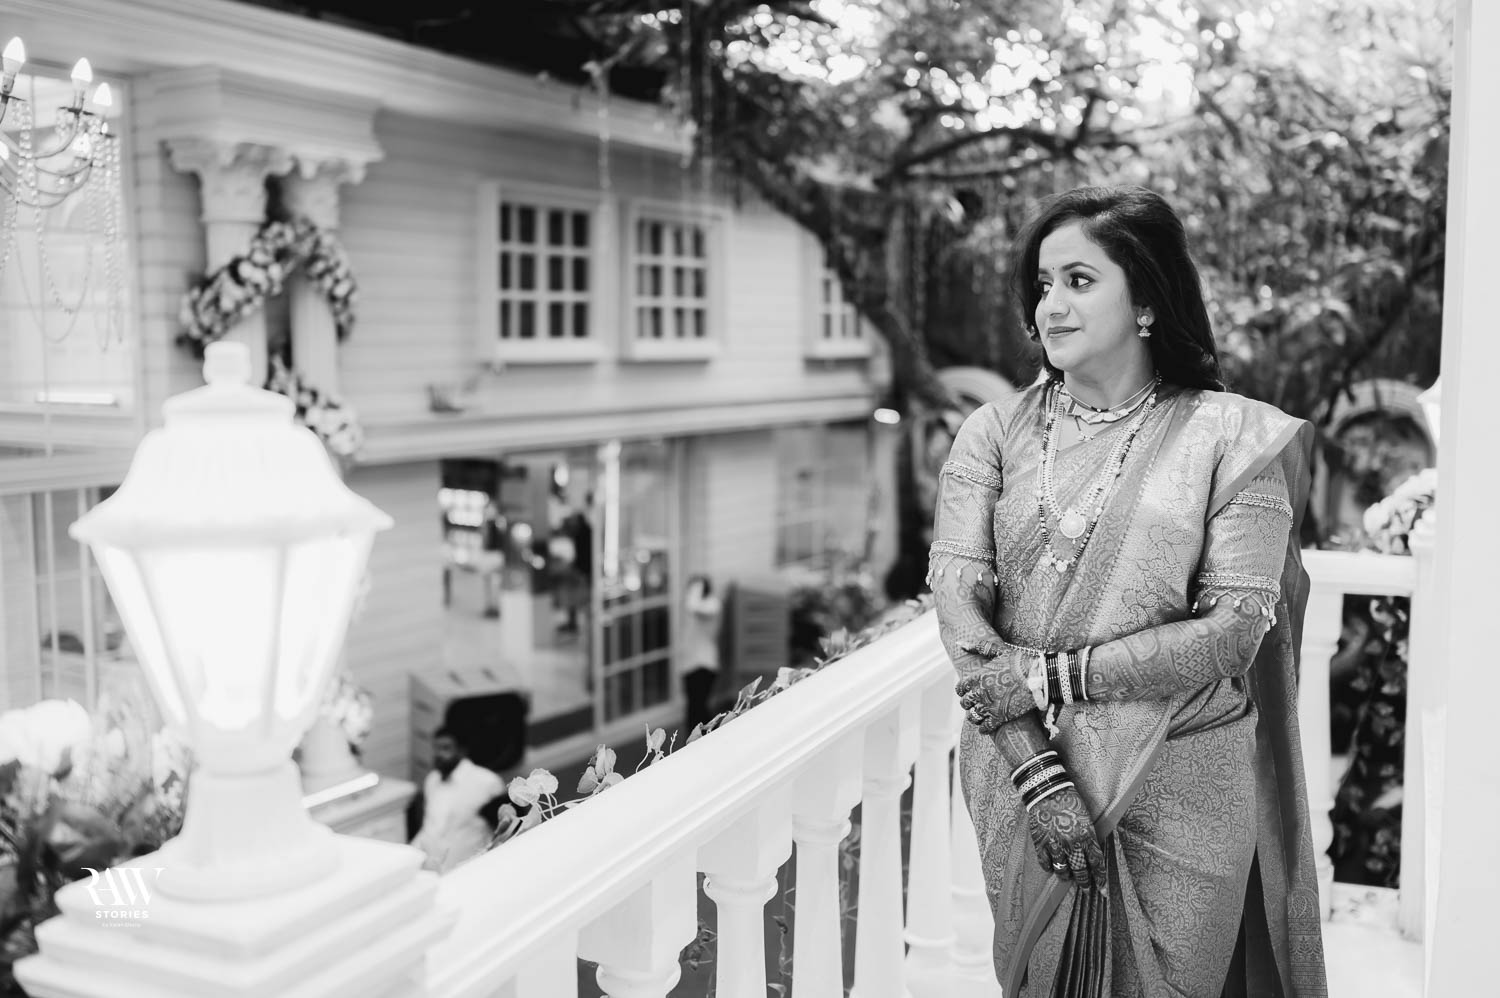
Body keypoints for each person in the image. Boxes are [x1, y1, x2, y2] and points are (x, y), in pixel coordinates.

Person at [931, 186, 1327, 997]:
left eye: (1079, 281)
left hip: (1183, 776)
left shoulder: (1233, 436)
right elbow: (961, 611)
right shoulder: (994, 432)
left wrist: (1044, 676)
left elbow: (1234, 632)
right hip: (1021, 766)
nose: (1051, 306)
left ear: (1146, 301)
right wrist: (1040, 776)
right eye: (1043, 284)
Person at [410, 726, 505, 874]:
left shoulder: (486, 782)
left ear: (461, 751)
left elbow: (503, 834)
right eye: (436, 748)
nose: (438, 754)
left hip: (469, 870)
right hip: (432, 869)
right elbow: (429, 828)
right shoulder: (432, 780)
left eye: (445, 748)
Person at [680, 574, 724, 733]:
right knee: (694, 709)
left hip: (704, 665)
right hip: (691, 664)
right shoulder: (703, 606)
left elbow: (692, 606)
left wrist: (695, 587)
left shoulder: (712, 604)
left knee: (698, 711)